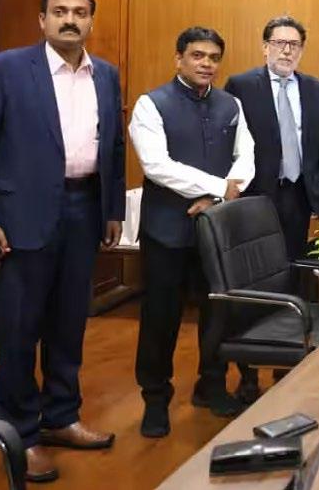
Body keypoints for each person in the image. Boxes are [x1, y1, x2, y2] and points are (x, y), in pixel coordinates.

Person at [0, 0, 125, 484]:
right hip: (20, 218)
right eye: (59, 11)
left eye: (80, 12)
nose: (70, 19)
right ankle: (20, 435)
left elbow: (113, 148)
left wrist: (112, 209)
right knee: (19, 330)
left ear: (91, 21)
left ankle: (61, 416)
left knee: (69, 324)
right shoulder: (3, 69)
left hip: (84, 209)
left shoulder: (106, 75)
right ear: (42, 19)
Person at [129, 27, 255, 436]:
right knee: (160, 316)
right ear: (179, 58)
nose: (206, 64)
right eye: (198, 55)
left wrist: (218, 198)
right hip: (166, 230)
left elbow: (246, 156)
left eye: (214, 57)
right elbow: (157, 166)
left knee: (218, 311)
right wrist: (218, 188)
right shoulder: (151, 104)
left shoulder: (231, 104)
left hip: (216, 228)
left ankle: (211, 385)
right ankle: (155, 399)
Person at [225, 15, 319, 403]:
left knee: (292, 278)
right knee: (252, 284)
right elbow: (231, 144)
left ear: (302, 49)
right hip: (256, 198)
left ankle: (287, 367)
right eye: (279, 43)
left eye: (293, 44)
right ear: (265, 46)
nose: (286, 50)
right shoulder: (241, 85)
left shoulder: (316, 89)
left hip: (299, 197)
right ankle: (247, 375)